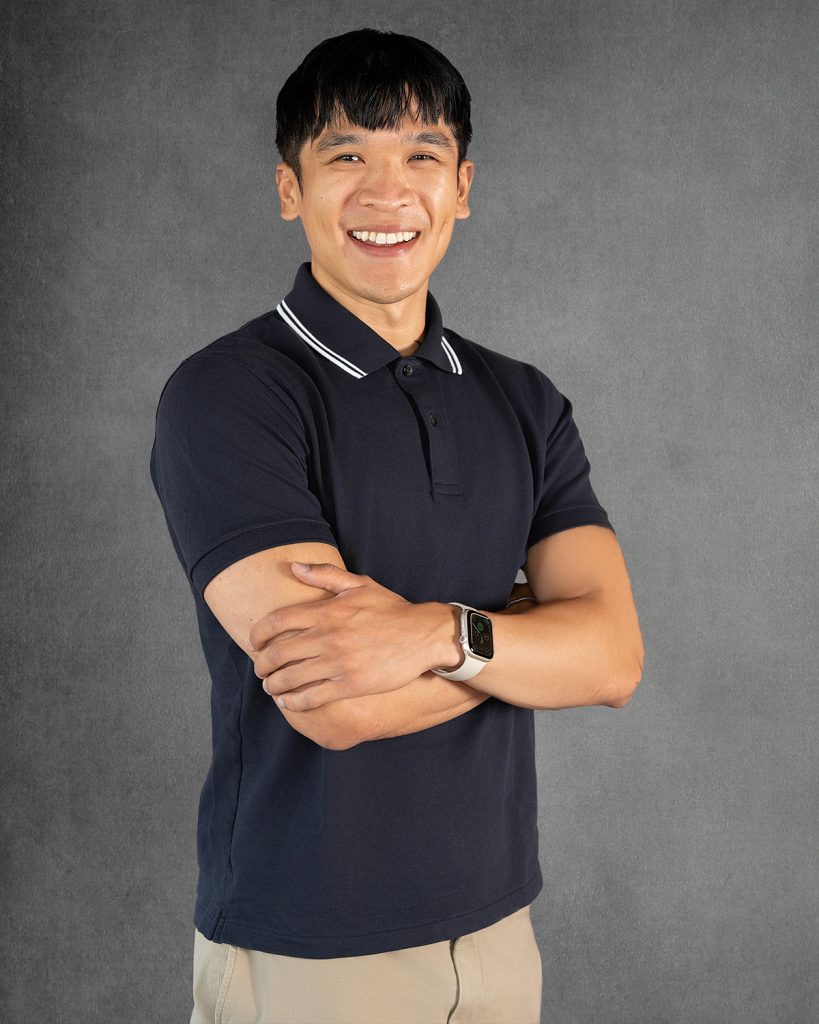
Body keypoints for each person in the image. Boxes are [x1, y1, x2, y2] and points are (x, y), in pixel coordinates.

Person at [149, 27, 643, 1024]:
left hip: (498, 930)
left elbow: (613, 660)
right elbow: (337, 705)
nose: (388, 192)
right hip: (309, 944)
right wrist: (524, 635)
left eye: (421, 155)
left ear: (461, 186)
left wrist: (432, 632)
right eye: (346, 157)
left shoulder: (524, 400)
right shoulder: (227, 394)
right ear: (289, 188)